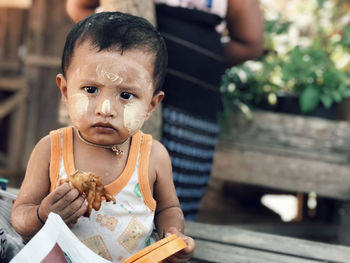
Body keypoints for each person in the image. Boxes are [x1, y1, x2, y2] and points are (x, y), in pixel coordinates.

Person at [11, 11, 194, 262]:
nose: (105, 109)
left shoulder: (153, 156)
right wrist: (43, 215)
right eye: (91, 89)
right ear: (65, 91)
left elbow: (168, 208)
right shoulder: (50, 149)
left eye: (126, 95)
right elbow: (20, 214)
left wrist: (172, 236)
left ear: (151, 105)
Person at [66, 0, 264, 220]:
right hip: (119, 97)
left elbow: (250, 42)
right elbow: (79, 6)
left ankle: (164, 249)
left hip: (190, 109)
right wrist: (110, 60)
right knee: (97, 195)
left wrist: (193, 59)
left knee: (175, 207)